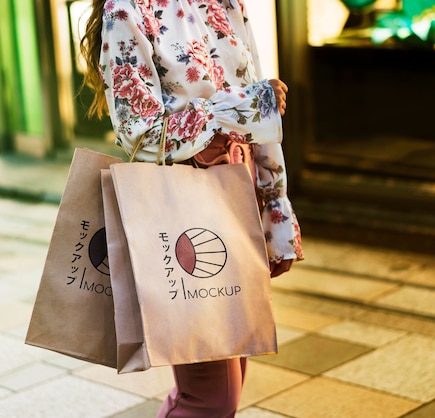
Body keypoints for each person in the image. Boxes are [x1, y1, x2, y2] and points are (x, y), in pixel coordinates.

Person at [80, 1, 304, 416]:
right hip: (180, 211)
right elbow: (140, 134)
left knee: (226, 382)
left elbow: (259, 117)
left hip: (239, 200)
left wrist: (276, 213)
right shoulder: (126, 9)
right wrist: (238, 108)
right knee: (211, 399)